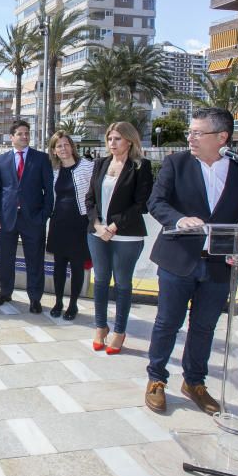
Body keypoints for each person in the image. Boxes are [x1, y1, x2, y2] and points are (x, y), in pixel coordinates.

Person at [144, 107, 238, 414]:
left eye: (197, 133)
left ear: (222, 137)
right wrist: (178, 219)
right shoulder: (176, 164)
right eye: (190, 132)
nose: (190, 138)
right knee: (167, 323)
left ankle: (194, 382)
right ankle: (156, 379)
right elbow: (156, 202)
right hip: (178, 259)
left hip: (221, 263)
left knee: (204, 327)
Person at [85, 122, 153, 354]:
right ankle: (100, 327)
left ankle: (119, 331)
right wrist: (97, 224)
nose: (112, 143)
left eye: (117, 139)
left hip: (126, 235)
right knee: (101, 281)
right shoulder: (100, 164)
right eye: (110, 139)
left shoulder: (140, 166)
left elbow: (141, 203)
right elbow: (90, 199)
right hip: (97, 233)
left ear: (130, 141)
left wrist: (113, 226)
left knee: (123, 284)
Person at [0, 119, 54, 313]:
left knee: (34, 261)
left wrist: (44, 215)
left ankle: (35, 298)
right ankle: (5, 292)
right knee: (5, 259)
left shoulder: (41, 158)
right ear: (12, 137)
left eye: (27, 133)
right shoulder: (2, 160)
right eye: (20, 133)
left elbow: (49, 191)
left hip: (33, 219)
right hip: (6, 218)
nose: (25, 136)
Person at [46, 132, 94, 320]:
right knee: (58, 266)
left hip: (79, 223)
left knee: (76, 266)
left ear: (72, 147)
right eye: (59, 146)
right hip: (59, 223)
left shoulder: (87, 167)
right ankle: (58, 302)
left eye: (66, 145)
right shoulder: (54, 171)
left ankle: (73, 305)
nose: (63, 149)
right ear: (54, 151)